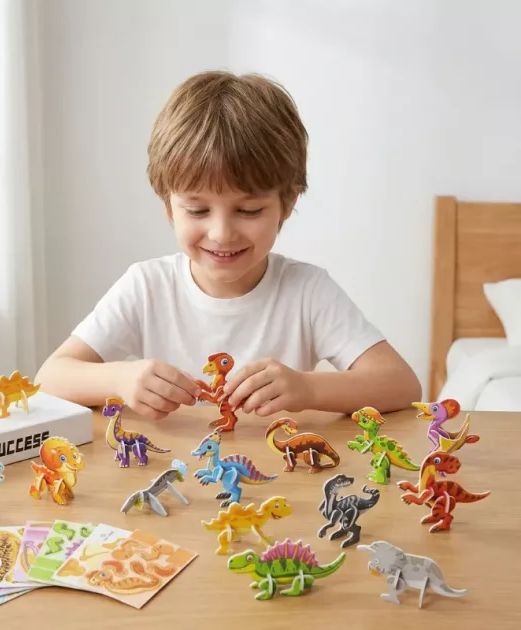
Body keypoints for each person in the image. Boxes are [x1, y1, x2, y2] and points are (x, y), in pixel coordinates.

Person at [36, 70, 421, 421]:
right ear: (168, 205)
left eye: (249, 210)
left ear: (287, 204)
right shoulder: (146, 287)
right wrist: (120, 379)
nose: (221, 233)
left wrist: (308, 388)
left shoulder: (308, 291)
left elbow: (401, 384)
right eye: (197, 210)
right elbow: (50, 378)